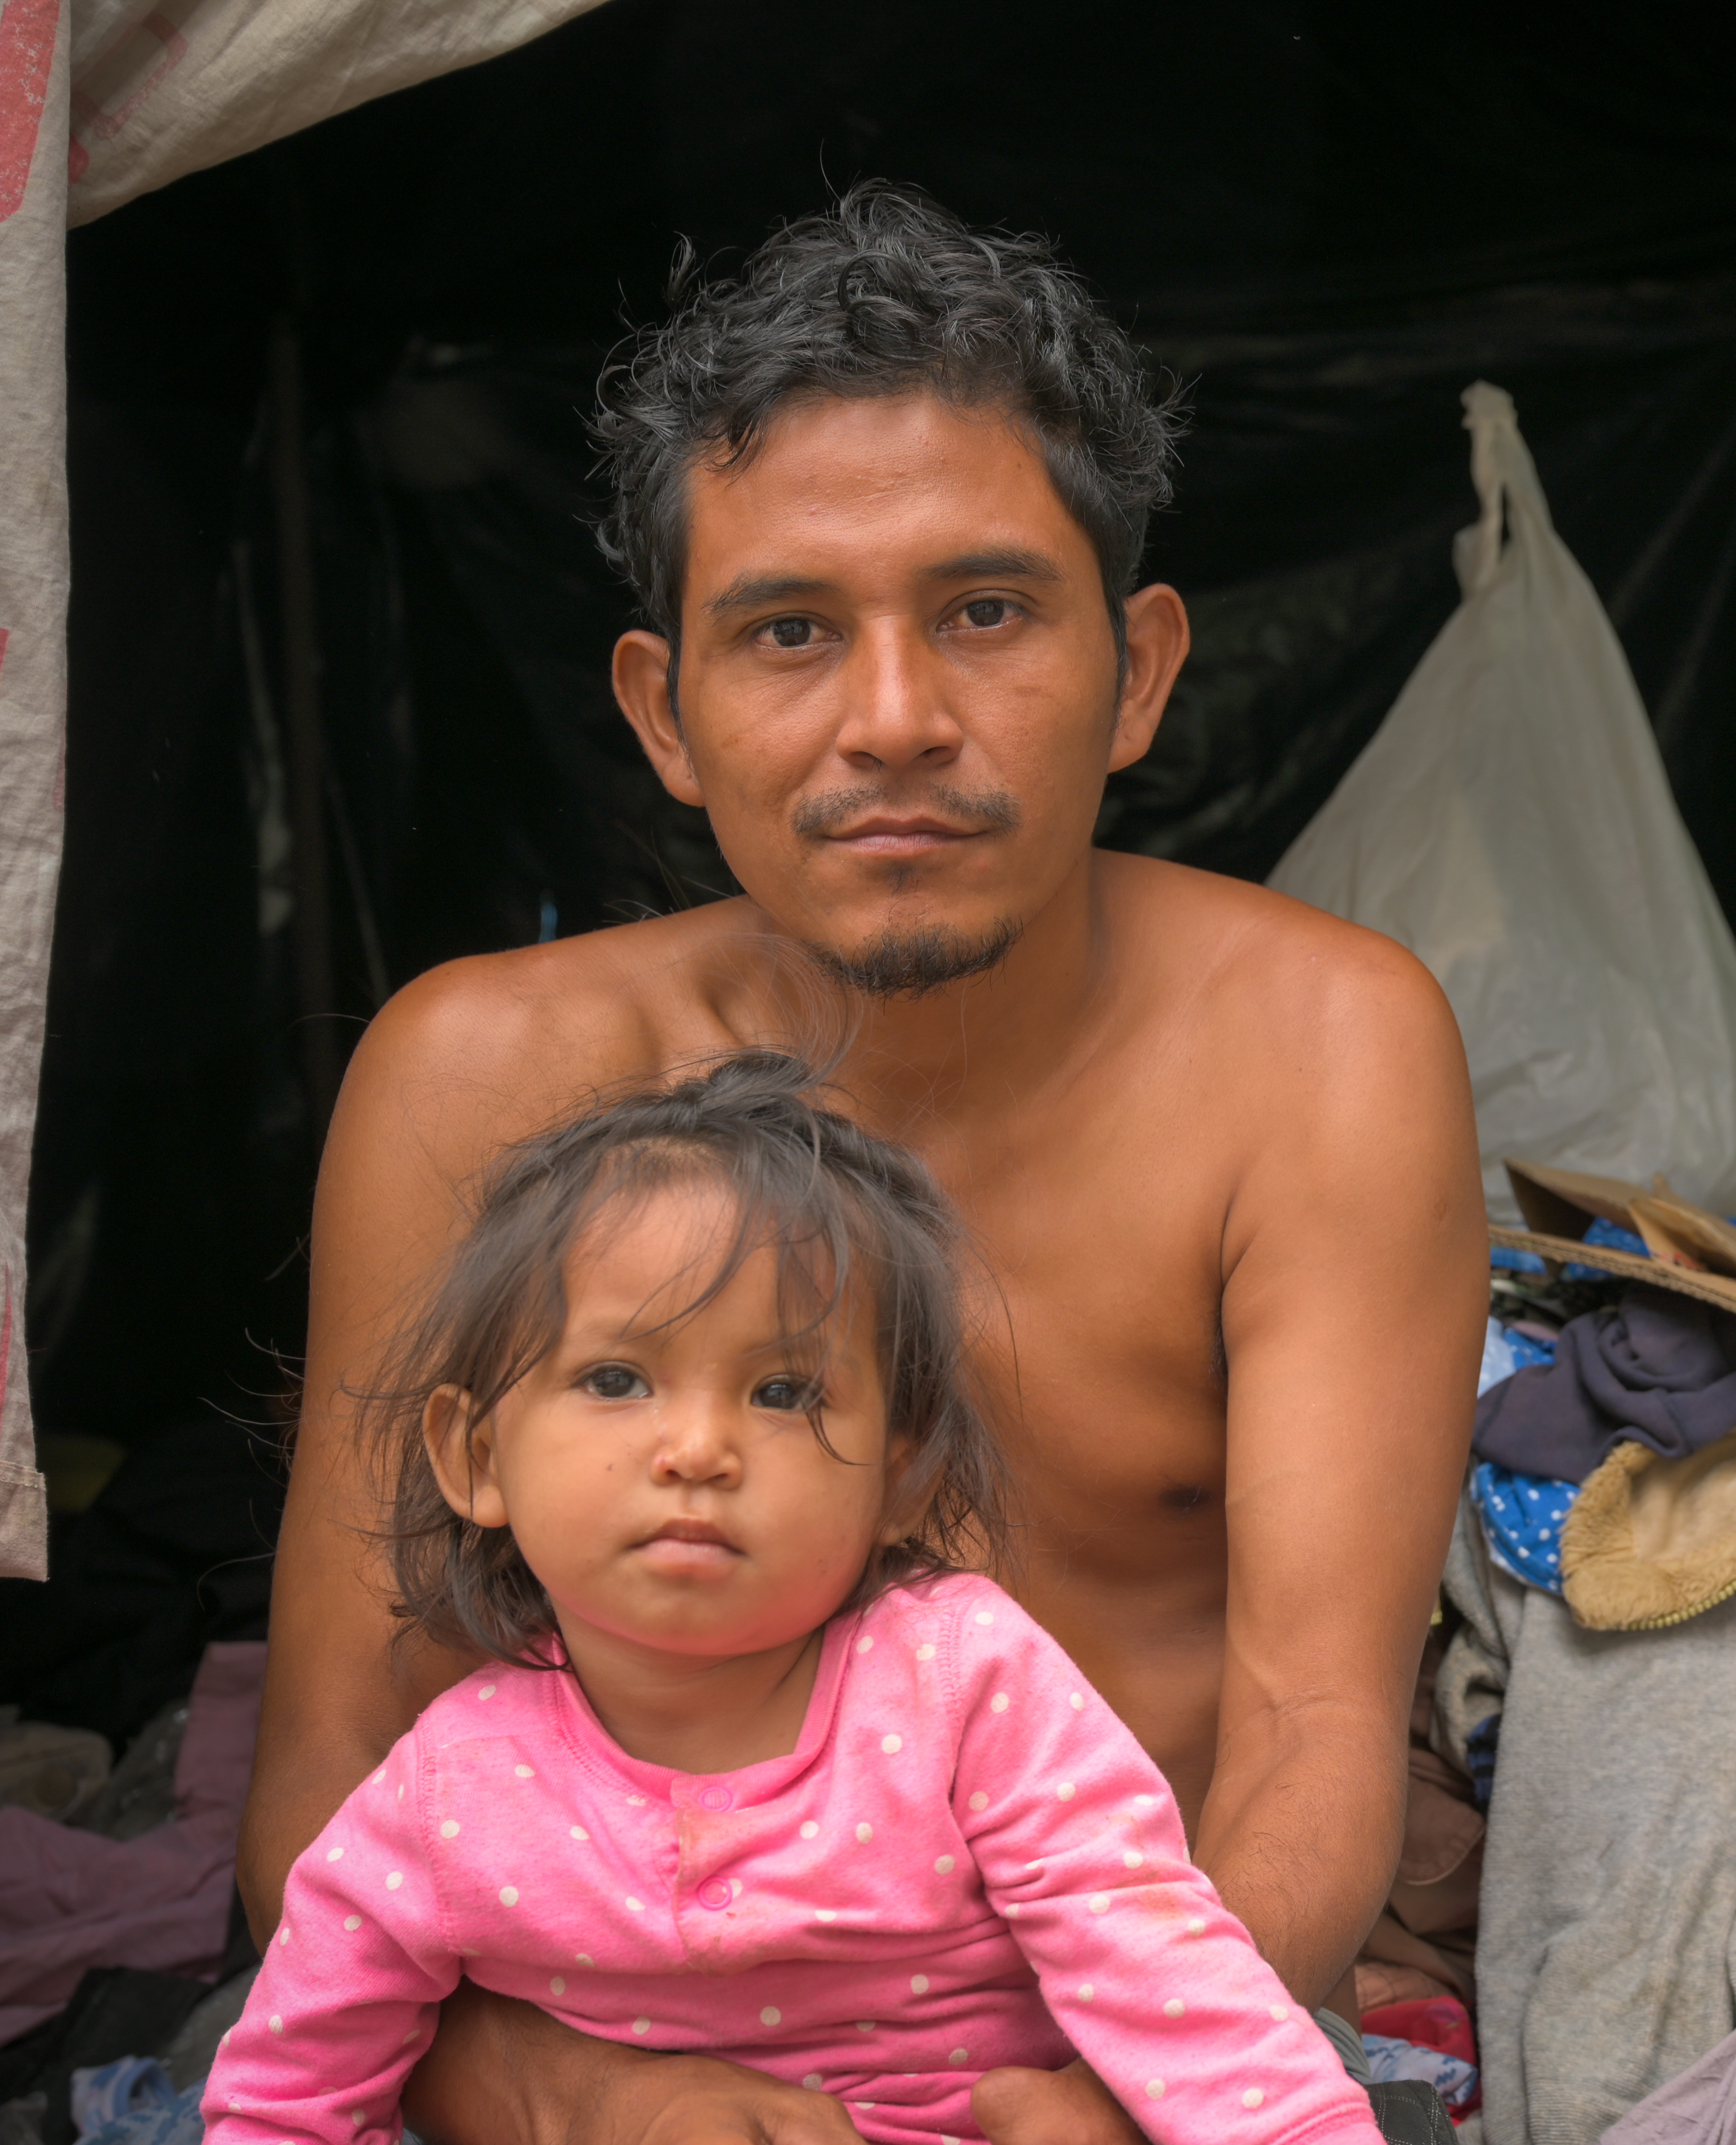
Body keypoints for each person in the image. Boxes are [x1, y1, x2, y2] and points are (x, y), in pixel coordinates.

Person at [240, 183, 1485, 2145]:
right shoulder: (481, 1077)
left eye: (984, 611)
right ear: (664, 709)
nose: (895, 721)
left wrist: (1115, 2096)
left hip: (1151, 2042)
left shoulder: (1323, 1052)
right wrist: (553, 2091)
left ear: (1140, 669)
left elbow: (1319, 1727)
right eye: (789, 633)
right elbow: (333, 1763)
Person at [212, 1054, 1384, 2145]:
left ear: (900, 1478)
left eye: (783, 1390)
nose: (699, 1446)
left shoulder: (962, 1680)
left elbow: (1170, 1971)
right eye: (615, 1378)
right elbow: (288, 2090)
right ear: (475, 1457)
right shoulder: (447, 1789)